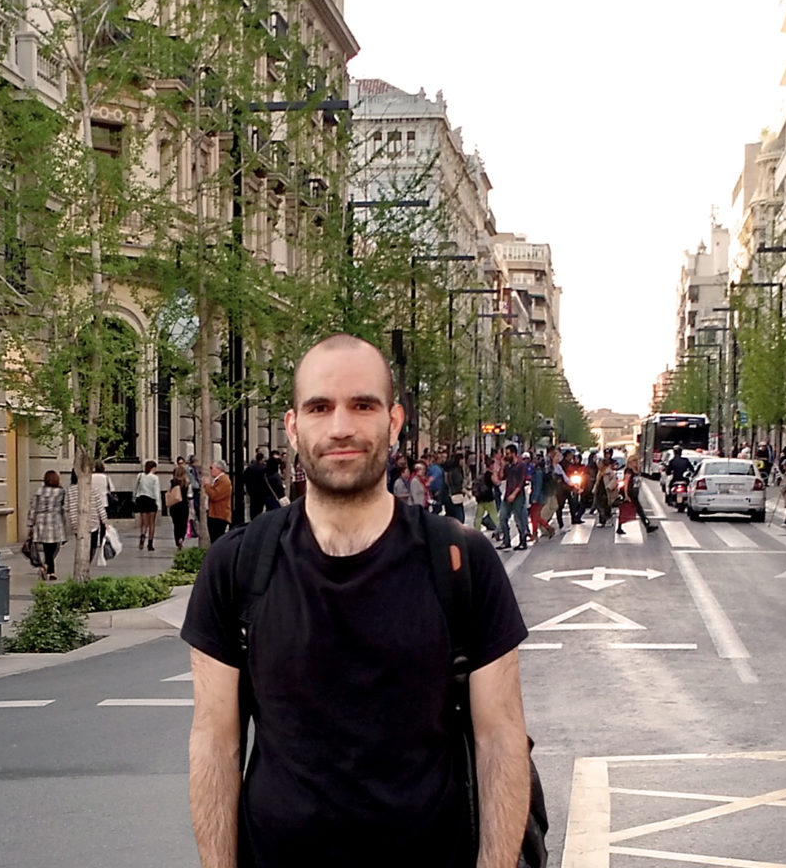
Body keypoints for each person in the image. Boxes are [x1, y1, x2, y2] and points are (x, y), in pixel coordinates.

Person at [182, 334, 531, 867]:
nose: (340, 426)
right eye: (319, 407)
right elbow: (214, 743)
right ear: (293, 427)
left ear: (394, 422)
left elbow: (500, 739)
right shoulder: (237, 565)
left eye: (362, 405)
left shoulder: (462, 562)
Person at [27, 470, 67, 581]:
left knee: (45, 547)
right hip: (55, 520)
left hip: (41, 521)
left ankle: (46, 566)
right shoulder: (61, 492)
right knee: (54, 546)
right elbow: (63, 506)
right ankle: (50, 569)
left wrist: (30, 523)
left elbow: (33, 508)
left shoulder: (39, 491)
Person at [499, 445, 529, 551]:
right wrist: (502, 466)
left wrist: (514, 494)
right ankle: (506, 540)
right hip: (508, 494)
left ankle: (523, 541)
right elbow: (502, 477)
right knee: (502, 517)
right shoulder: (508, 466)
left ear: (514, 454)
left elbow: (522, 481)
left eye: (508, 454)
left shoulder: (521, 465)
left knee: (519, 519)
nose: (506, 456)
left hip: (518, 495)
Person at [134, 460, 162, 551]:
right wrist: (159, 504)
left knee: (144, 522)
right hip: (151, 500)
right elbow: (156, 491)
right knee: (151, 523)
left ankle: (142, 536)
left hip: (142, 499)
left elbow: (136, 488)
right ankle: (150, 543)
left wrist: (135, 497)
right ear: (153, 468)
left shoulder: (140, 476)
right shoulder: (154, 478)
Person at [204, 459, 233, 541]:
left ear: (219, 469)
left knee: (217, 538)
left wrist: (207, 485)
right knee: (213, 538)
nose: (210, 470)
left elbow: (215, 496)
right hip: (213, 514)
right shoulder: (217, 480)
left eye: (212, 468)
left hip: (219, 515)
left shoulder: (224, 481)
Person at [527, 453, 554, 541]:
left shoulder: (538, 473)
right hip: (540, 496)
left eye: (535, 460)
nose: (533, 462)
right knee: (536, 516)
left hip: (539, 498)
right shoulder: (538, 472)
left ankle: (536, 533)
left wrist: (535, 498)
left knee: (534, 516)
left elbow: (538, 486)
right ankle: (548, 528)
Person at [169, 459, 191, 551]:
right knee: (183, 523)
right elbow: (190, 495)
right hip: (184, 505)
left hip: (174, 505)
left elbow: (169, 492)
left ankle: (177, 539)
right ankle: (181, 538)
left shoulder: (172, 482)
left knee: (176, 524)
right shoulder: (186, 483)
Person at [243, 450, 270, 521]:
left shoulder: (250, 468)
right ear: (262, 459)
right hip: (261, 491)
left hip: (252, 490)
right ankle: (258, 519)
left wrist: (248, 485)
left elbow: (244, 477)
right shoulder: (264, 468)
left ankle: (253, 518)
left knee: (253, 506)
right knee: (259, 507)